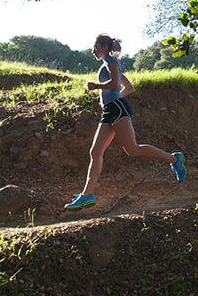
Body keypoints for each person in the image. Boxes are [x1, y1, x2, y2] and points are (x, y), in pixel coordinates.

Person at [65, 34, 185, 210]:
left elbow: (114, 85)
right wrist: (109, 99)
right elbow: (128, 88)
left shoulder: (111, 62)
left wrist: (97, 87)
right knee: (95, 151)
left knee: (132, 149)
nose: (93, 51)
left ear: (105, 47)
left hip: (118, 110)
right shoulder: (110, 65)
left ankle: (174, 159)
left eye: (96, 47)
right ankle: (87, 194)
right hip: (110, 110)